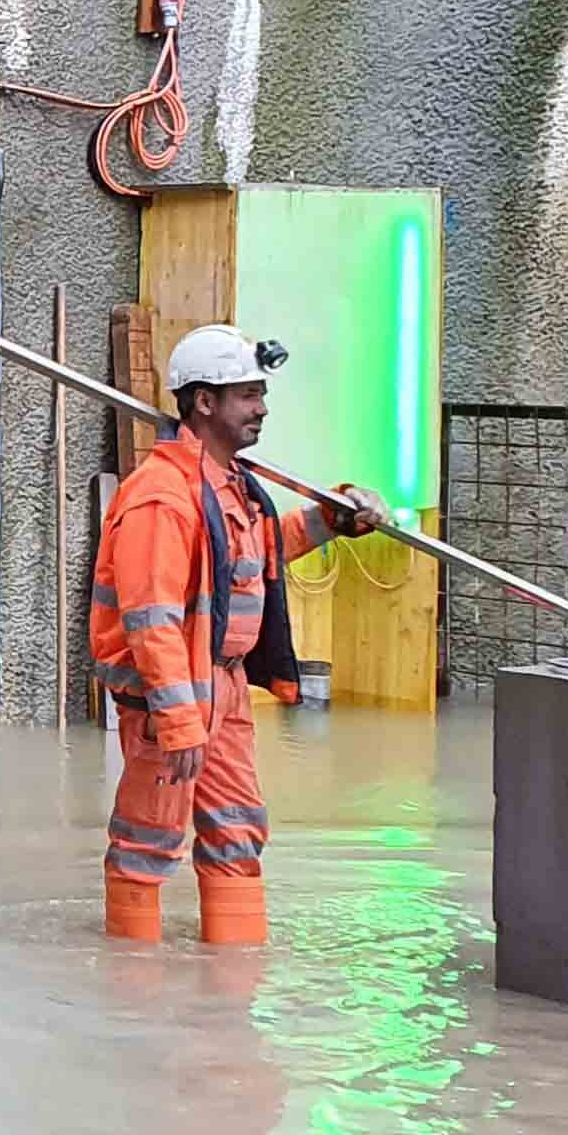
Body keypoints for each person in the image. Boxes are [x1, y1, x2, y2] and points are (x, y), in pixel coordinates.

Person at [89, 325, 386, 947]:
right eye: (248, 395)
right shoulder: (160, 498)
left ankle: (233, 985)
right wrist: (177, 722)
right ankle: (131, 989)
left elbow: (259, 554)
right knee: (149, 841)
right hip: (170, 702)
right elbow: (152, 620)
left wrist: (336, 519)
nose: (262, 408)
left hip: (222, 690)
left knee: (237, 830)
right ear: (204, 402)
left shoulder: (231, 486)